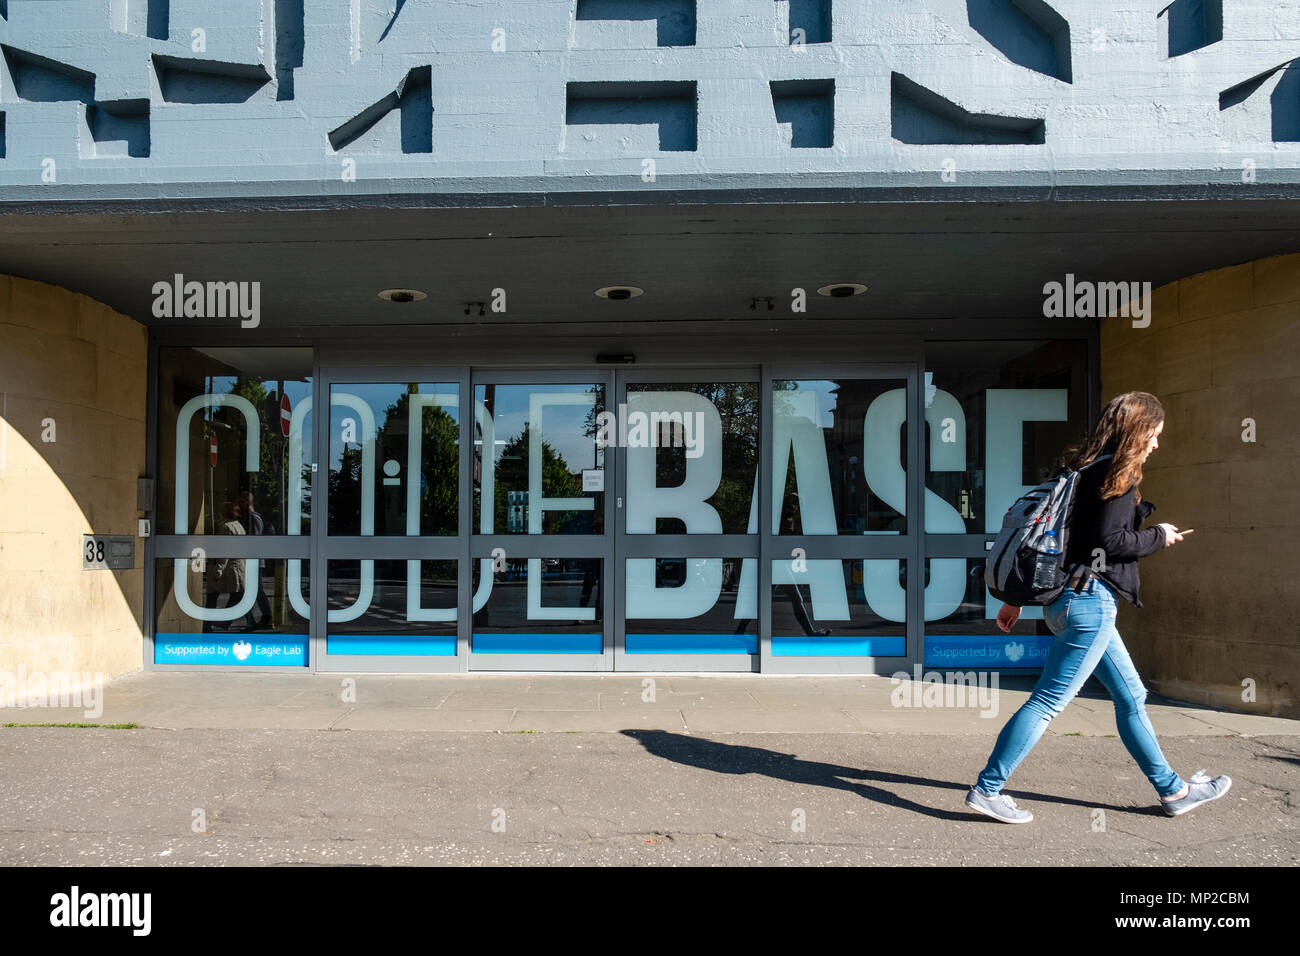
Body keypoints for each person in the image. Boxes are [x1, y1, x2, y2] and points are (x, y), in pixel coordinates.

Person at [965, 391, 1232, 823]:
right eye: (1156, 435)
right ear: (1138, 431)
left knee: (1131, 696)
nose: (1157, 444)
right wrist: (1159, 536)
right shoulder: (1119, 475)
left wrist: (1015, 599)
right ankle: (988, 788)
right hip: (1089, 604)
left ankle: (1175, 790)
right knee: (1048, 702)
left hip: (1066, 603)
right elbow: (1109, 543)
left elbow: (1053, 537)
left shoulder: (1078, 470)